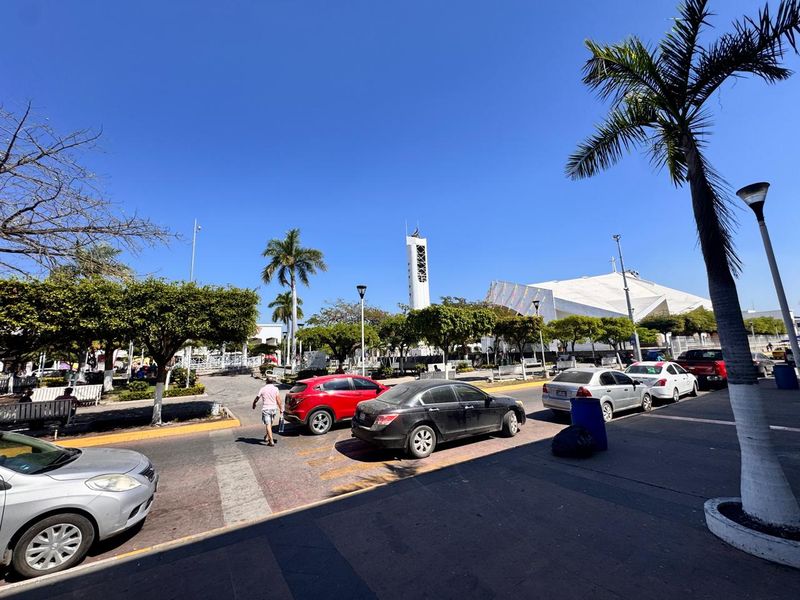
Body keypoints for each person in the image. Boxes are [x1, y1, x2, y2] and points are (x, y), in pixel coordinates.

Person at [252, 375, 282, 446]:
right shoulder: (276, 389)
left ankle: (271, 441)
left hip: (266, 409)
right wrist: (281, 408)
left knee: (268, 424)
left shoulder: (263, 389)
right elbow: (278, 400)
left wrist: (254, 404)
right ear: (272, 382)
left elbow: (257, 398)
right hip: (273, 409)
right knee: (270, 424)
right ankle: (266, 437)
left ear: (266, 381)